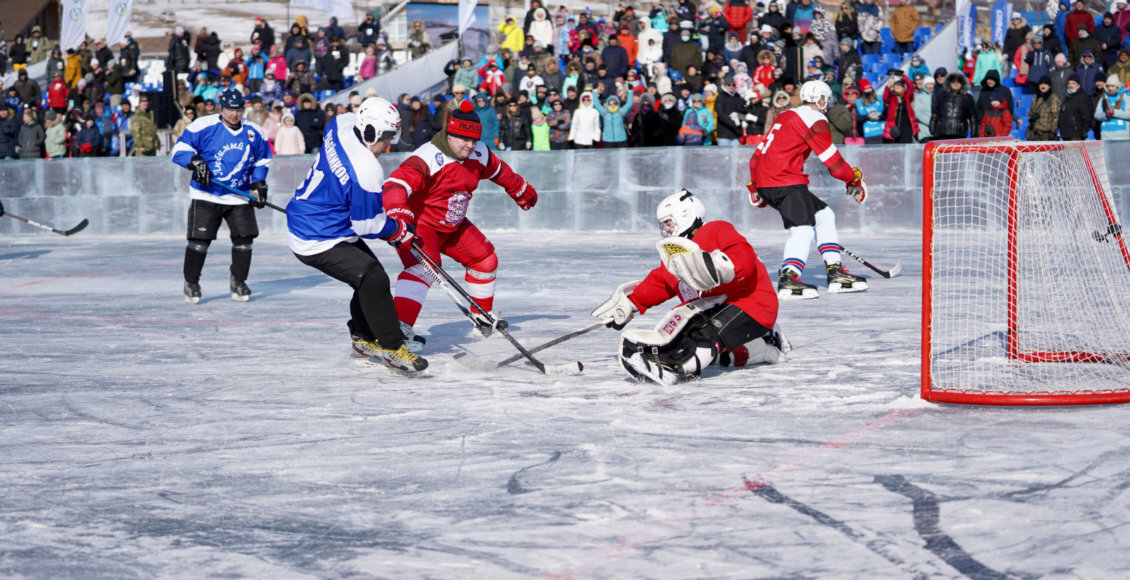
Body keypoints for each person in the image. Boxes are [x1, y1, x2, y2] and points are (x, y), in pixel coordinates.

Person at [285, 97, 427, 374]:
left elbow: (347, 119)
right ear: (370, 131)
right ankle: (392, 347)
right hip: (316, 236)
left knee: (368, 279)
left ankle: (363, 337)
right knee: (373, 278)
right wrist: (399, 230)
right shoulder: (366, 169)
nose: (387, 147)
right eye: (385, 139)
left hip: (322, 220)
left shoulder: (341, 124)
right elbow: (367, 225)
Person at [591, 189, 787, 386]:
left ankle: (674, 367)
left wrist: (724, 266)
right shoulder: (677, 255)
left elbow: (743, 258)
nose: (666, 230)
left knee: (704, 333)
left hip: (751, 304)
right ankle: (764, 345)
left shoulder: (716, 230)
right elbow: (661, 282)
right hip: (716, 310)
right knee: (705, 347)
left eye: (668, 223)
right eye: (663, 225)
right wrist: (631, 303)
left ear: (684, 215)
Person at [381, 100, 539, 338]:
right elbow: (395, 184)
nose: (470, 145)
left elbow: (498, 170)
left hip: (453, 224)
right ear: (450, 135)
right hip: (421, 225)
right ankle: (397, 331)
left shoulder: (478, 152)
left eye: (474, 139)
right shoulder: (428, 157)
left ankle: (482, 315)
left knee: (485, 260)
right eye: (464, 139)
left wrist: (517, 186)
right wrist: (398, 212)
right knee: (423, 268)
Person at [747, 80, 869, 300]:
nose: (827, 104)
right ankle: (789, 279)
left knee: (823, 215)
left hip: (770, 180)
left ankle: (835, 272)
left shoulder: (785, 115)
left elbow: (756, 155)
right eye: (826, 99)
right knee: (802, 229)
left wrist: (756, 186)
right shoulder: (815, 119)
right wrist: (853, 179)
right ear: (819, 99)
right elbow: (832, 161)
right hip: (784, 179)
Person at [170, 89, 272, 304]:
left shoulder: (255, 132)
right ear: (221, 108)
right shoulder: (203, 126)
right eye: (229, 109)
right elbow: (179, 149)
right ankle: (192, 282)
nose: (234, 114)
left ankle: (239, 281)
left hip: (239, 195)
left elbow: (262, 160)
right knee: (199, 241)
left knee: (245, 239)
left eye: (238, 109)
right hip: (207, 194)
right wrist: (195, 162)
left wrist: (258, 185)